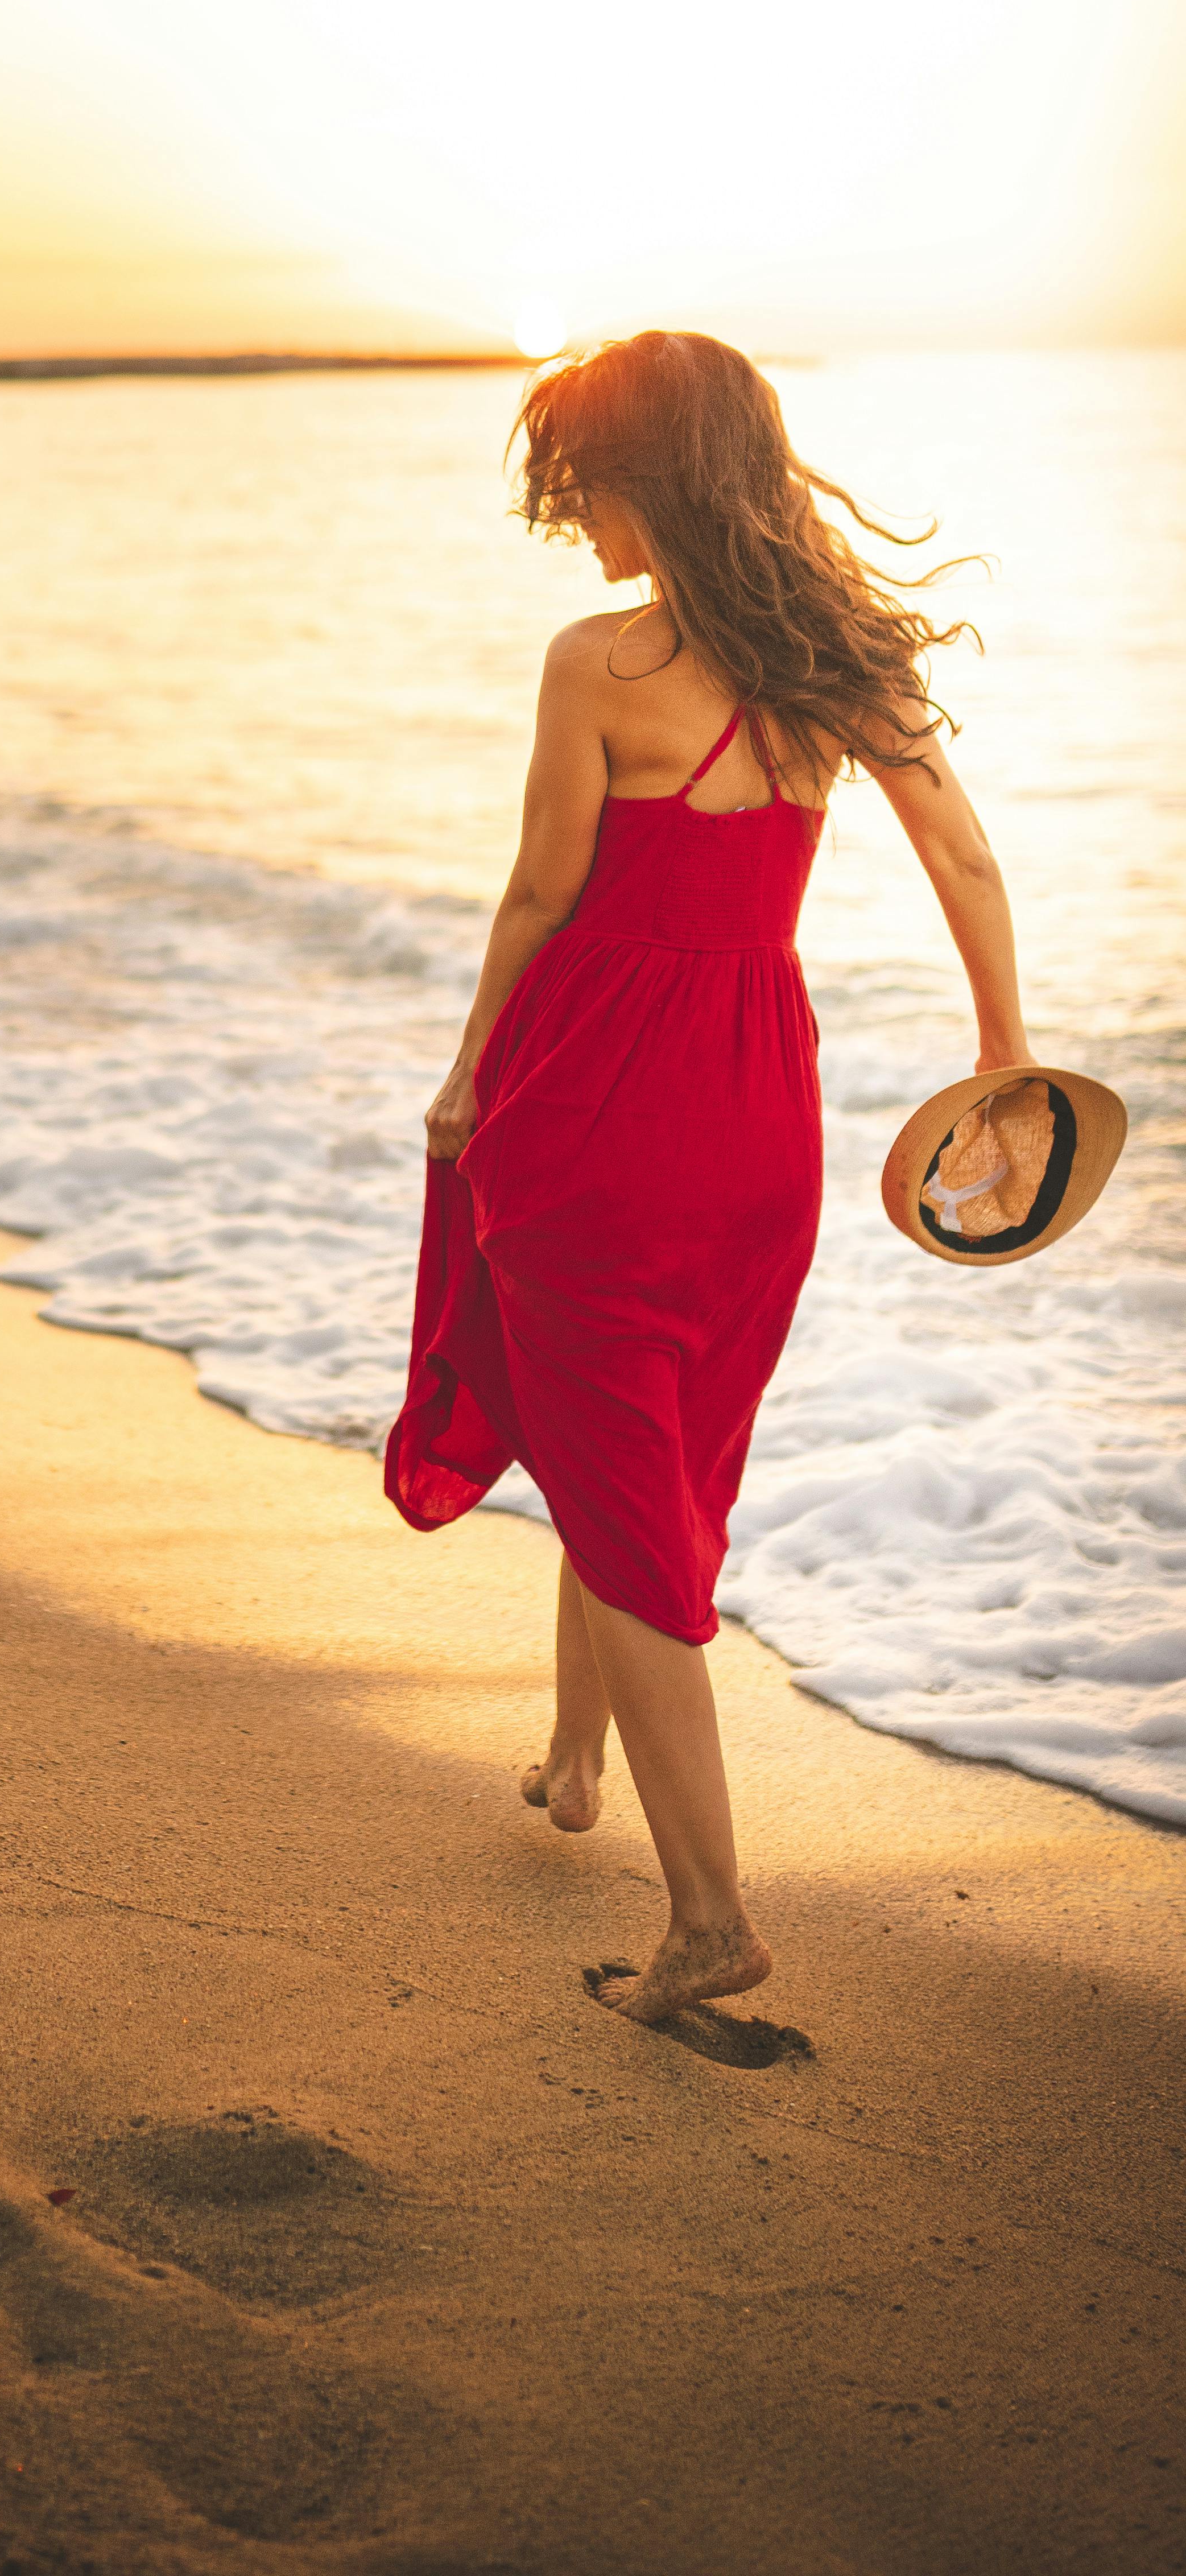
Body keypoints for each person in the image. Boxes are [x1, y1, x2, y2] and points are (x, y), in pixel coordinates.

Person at [385, 331, 1031, 2023]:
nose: (570, 513)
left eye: (584, 478)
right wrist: (1004, 1056)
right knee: (639, 1445)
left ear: (646, 475)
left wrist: (466, 1076)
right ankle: (574, 1757)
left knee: (625, 1483)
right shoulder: (838, 658)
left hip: (601, 1099)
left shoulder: (599, 663)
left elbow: (539, 899)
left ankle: (707, 1919)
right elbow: (963, 850)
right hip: (761, 1113)